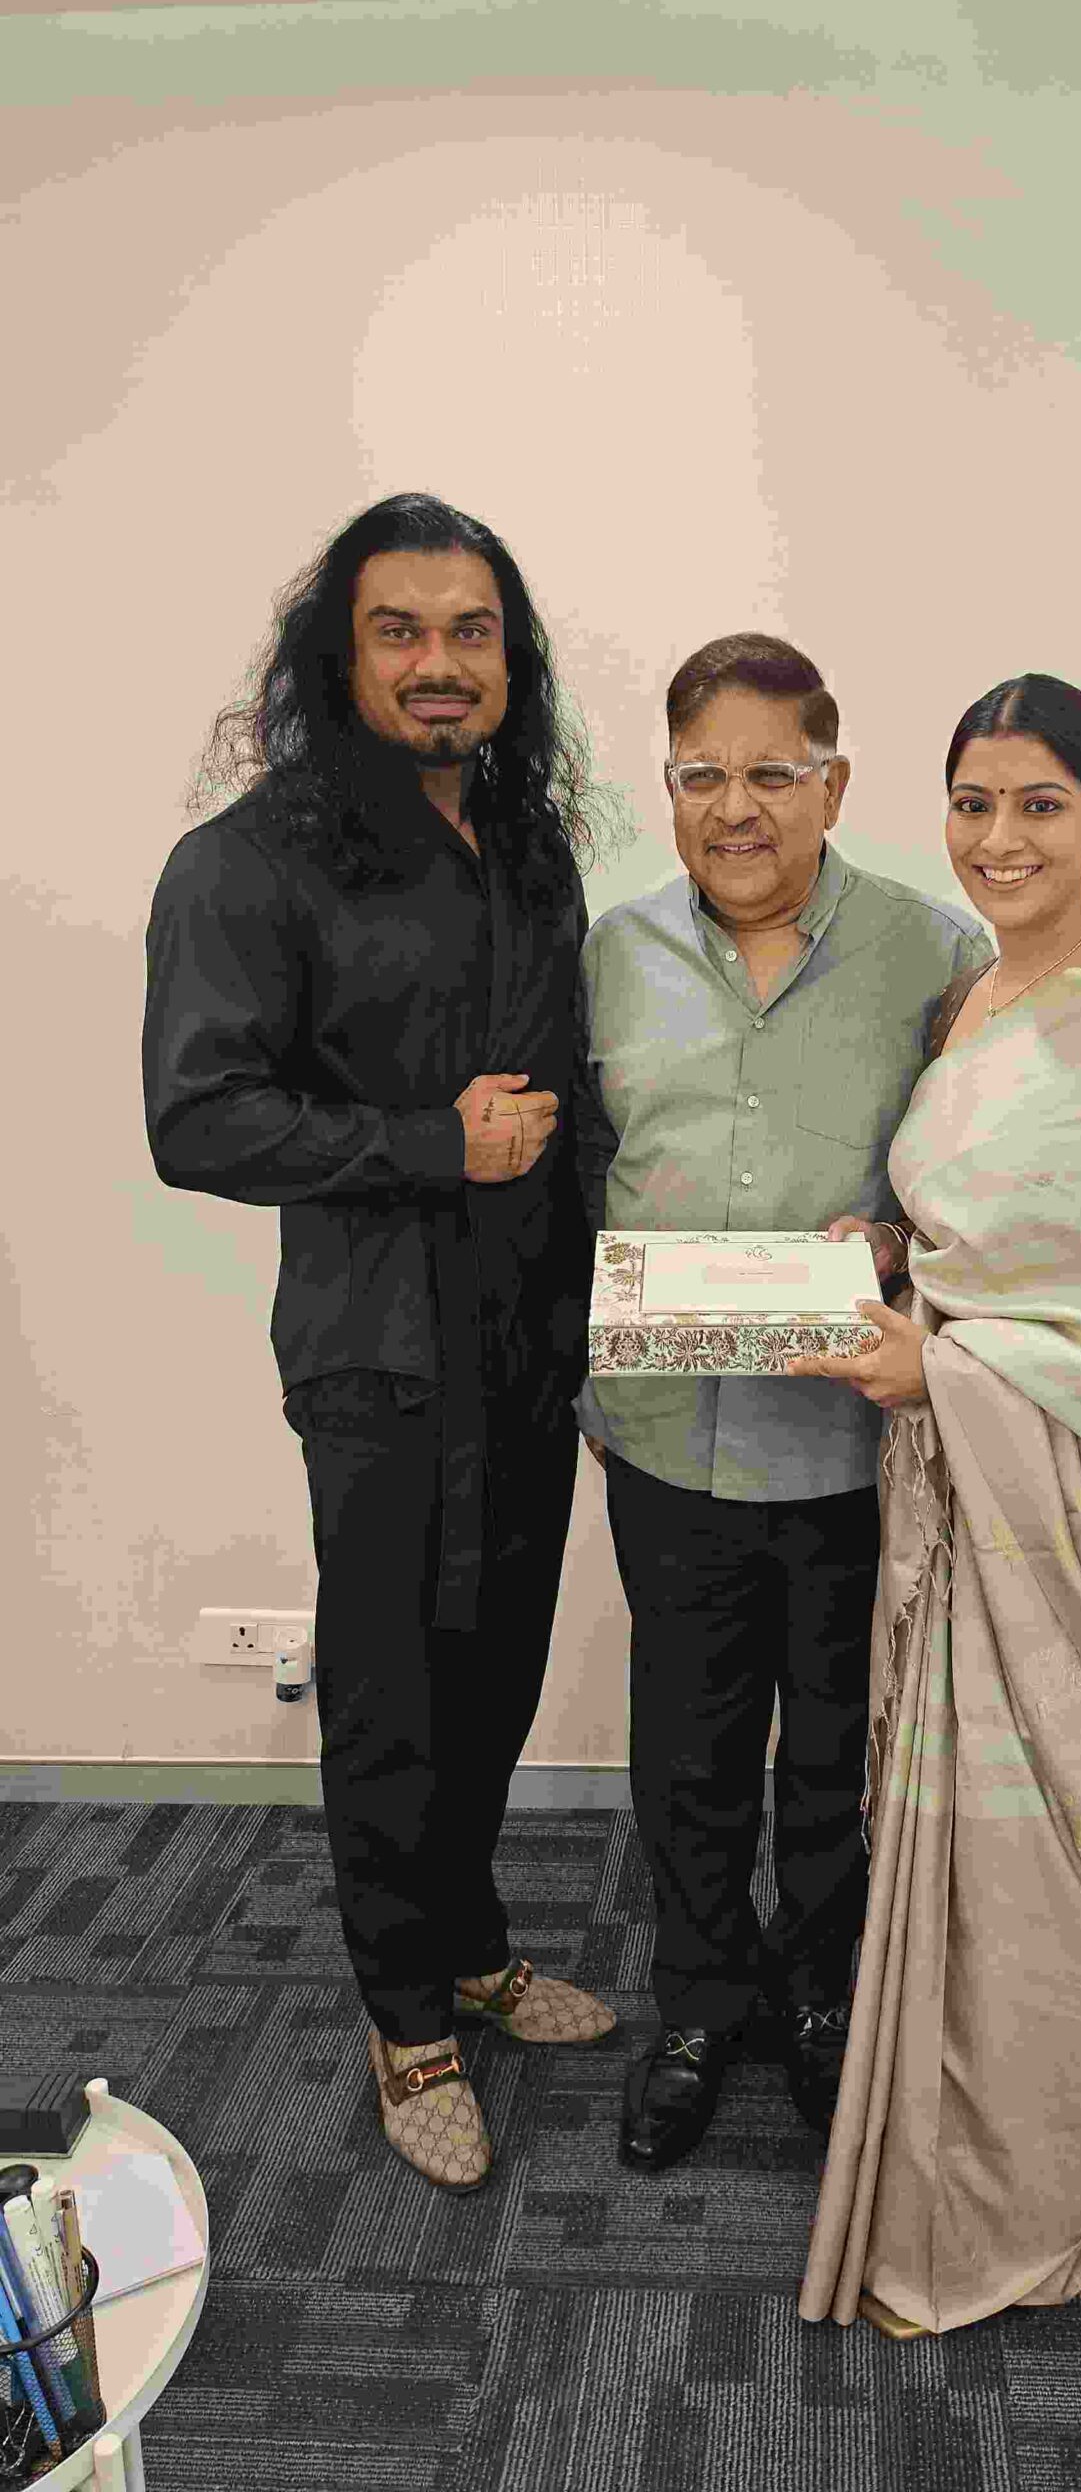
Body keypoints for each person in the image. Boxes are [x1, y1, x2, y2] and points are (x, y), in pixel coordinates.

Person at [142, 494, 619, 2197]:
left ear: (511, 661)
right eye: (399, 631)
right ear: (336, 656)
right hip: (379, 1354)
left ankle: (470, 1944)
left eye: (470, 632)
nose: (438, 663)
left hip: (533, 1338)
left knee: (494, 1665)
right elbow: (197, 1118)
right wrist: (431, 1143)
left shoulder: (529, 846)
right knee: (393, 1687)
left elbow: (571, 1095)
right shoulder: (249, 862)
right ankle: (405, 2017)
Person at [789, 672, 1081, 2335]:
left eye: (1039, 804)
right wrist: (887, 1255)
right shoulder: (972, 1001)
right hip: (962, 1494)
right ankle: (942, 2149)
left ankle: (1034, 2178)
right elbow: (980, 1231)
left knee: (1048, 1857)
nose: (999, 839)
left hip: (1070, 1521)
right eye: (972, 804)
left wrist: (950, 1370)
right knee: (956, 1848)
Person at [577, 633, 991, 2173]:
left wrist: (892, 1241)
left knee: (831, 1751)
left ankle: (820, 1998)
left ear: (834, 782)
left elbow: (983, 1176)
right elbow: (574, 1170)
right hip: (662, 1436)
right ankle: (698, 2006)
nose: (734, 807)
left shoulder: (934, 954)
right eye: (702, 775)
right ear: (667, 786)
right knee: (685, 1751)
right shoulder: (610, 953)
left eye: (771, 773)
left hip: (845, 1440)